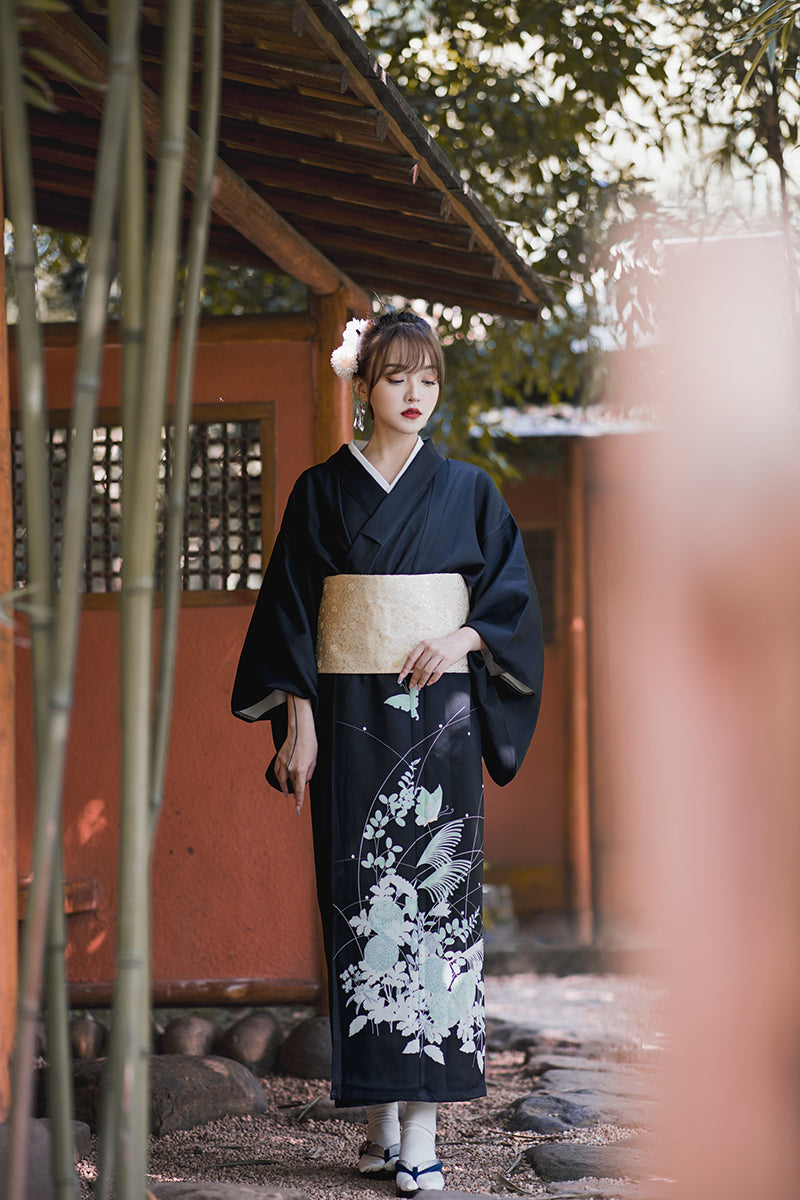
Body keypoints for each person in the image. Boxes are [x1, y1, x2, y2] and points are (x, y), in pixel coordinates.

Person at [232, 310, 543, 1194]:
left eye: (428, 379)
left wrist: (466, 640)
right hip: (351, 712)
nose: (415, 395)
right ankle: (379, 1119)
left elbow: (512, 604)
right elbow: (292, 614)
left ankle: (422, 1132)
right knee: (364, 900)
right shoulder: (320, 491)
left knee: (437, 907)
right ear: (362, 385)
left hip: (437, 718)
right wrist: (300, 721)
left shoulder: (471, 490)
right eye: (397, 377)